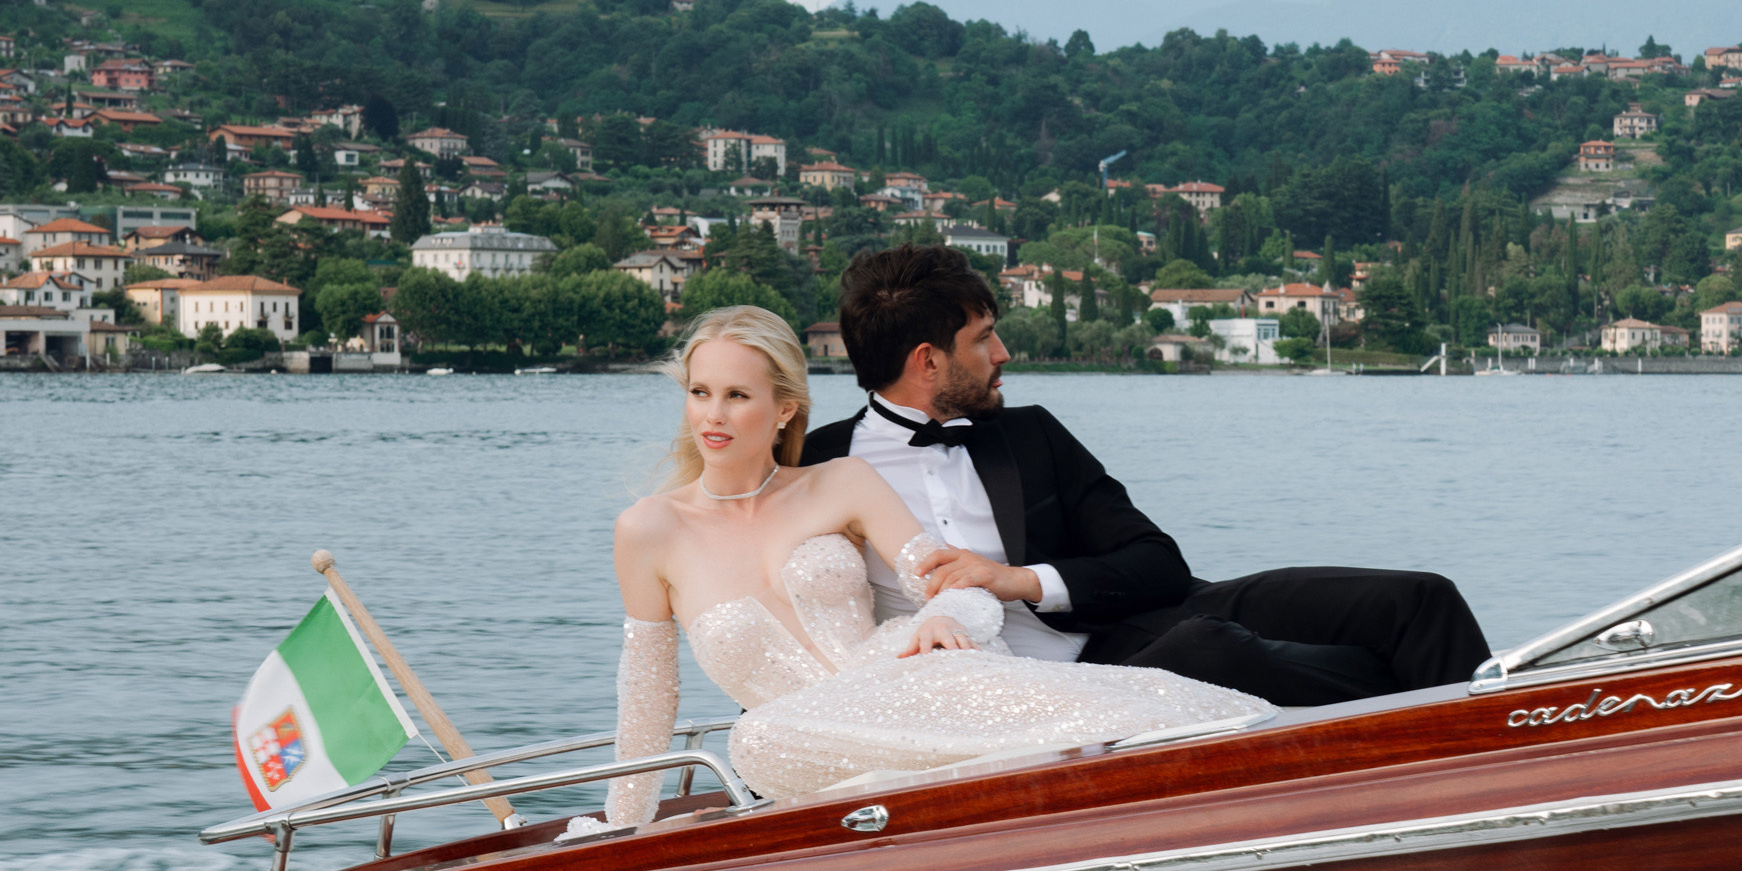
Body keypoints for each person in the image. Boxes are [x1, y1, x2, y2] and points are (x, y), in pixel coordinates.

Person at [606, 304, 1266, 818]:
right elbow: (647, 702)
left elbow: (961, 587)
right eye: (700, 392)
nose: (712, 415)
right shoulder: (650, 530)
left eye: (736, 396)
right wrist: (618, 826)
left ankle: (1237, 756)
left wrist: (945, 615)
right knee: (755, 741)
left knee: (1129, 706)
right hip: (798, 736)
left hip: (911, 680)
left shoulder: (843, 482)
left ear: (784, 408)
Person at [800, 245, 1490, 708]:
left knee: (1419, 602)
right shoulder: (817, 470)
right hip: (1043, 693)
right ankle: (1424, 724)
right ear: (928, 361)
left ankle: (1500, 749)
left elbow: (1156, 563)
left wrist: (1021, 581)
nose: (1003, 353)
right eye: (983, 338)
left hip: (1148, 619)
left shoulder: (1030, 433)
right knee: (1210, 651)